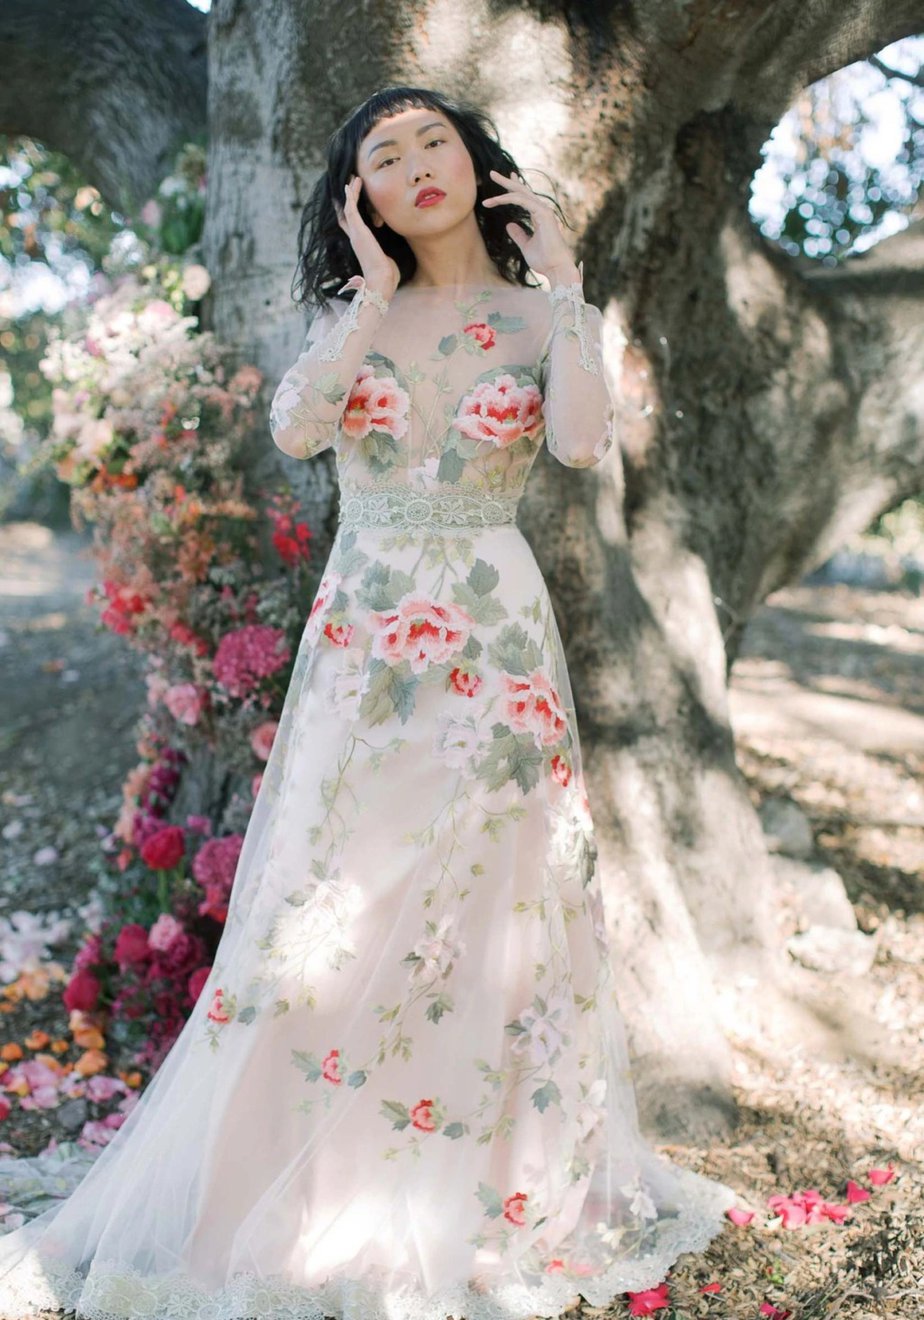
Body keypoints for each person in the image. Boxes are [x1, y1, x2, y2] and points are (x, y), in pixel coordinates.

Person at [0, 84, 737, 1320]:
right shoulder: (355, 314)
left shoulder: (537, 311)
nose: (414, 167)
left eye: (431, 141)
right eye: (383, 158)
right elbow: (296, 431)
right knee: (331, 905)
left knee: (493, 896)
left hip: (495, 638)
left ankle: (484, 1192)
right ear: (363, 200)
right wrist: (374, 306)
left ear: (475, 161)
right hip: (369, 638)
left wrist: (568, 292)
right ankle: (295, 1191)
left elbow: (573, 443)